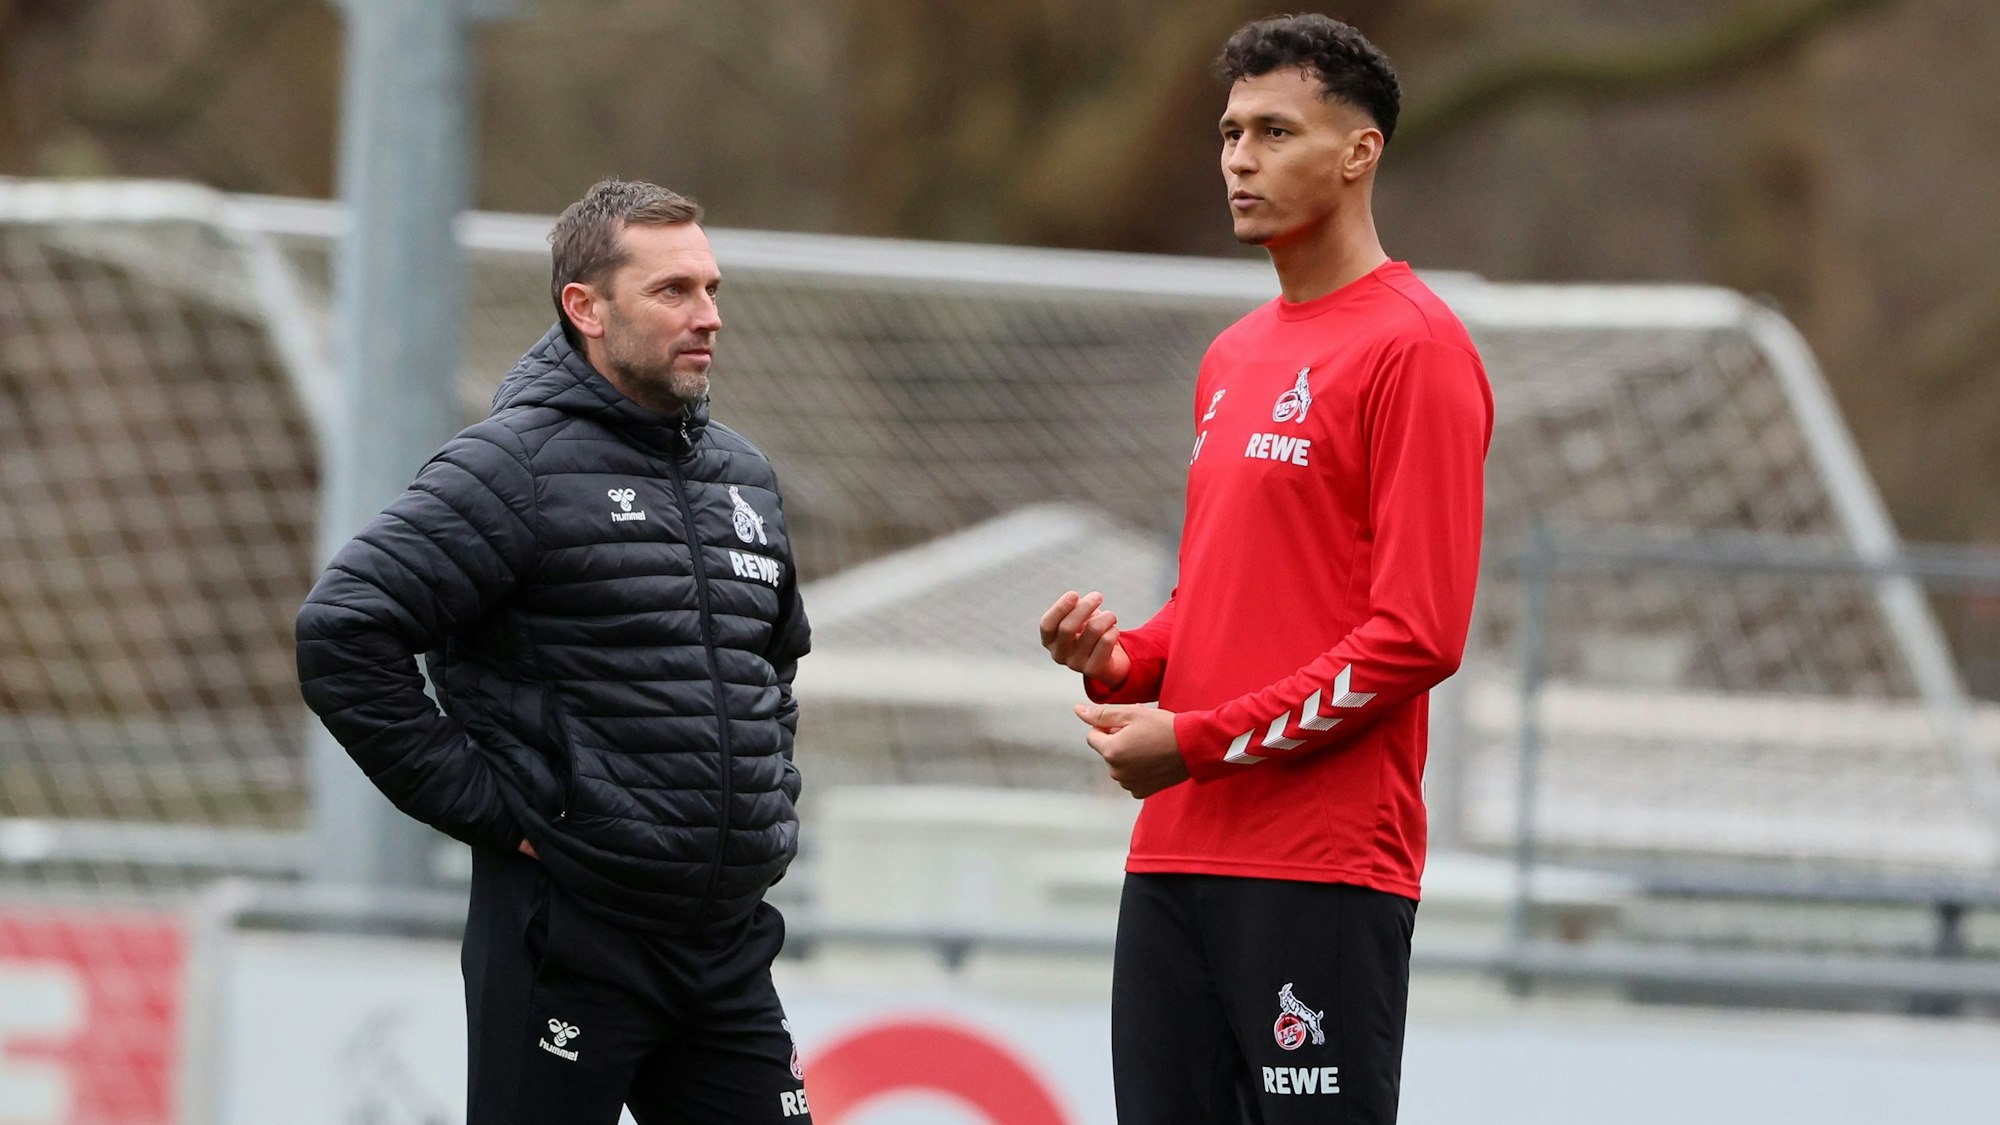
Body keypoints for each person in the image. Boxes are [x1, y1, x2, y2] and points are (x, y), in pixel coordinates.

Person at [1038, 15, 1492, 1124]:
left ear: (1357, 153)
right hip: (1173, 861)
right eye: (1229, 131)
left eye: (1274, 130)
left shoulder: (1415, 350)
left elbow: (1414, 635)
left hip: (1318, 870)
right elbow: (1225, 596)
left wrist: (1191, 742)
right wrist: (1124, 658)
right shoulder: (1233, 356)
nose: (1238, 156)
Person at [297, 179, 815, 1124]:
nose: (710, 316)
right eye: (674, 292)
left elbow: (772, 663)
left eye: (711, 288)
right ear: (586, 306)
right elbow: (343, 630)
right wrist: (499, 810)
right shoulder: (511, 466)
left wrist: (762, 809)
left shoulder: (744, 474)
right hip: (568, 931)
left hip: (724, 943)